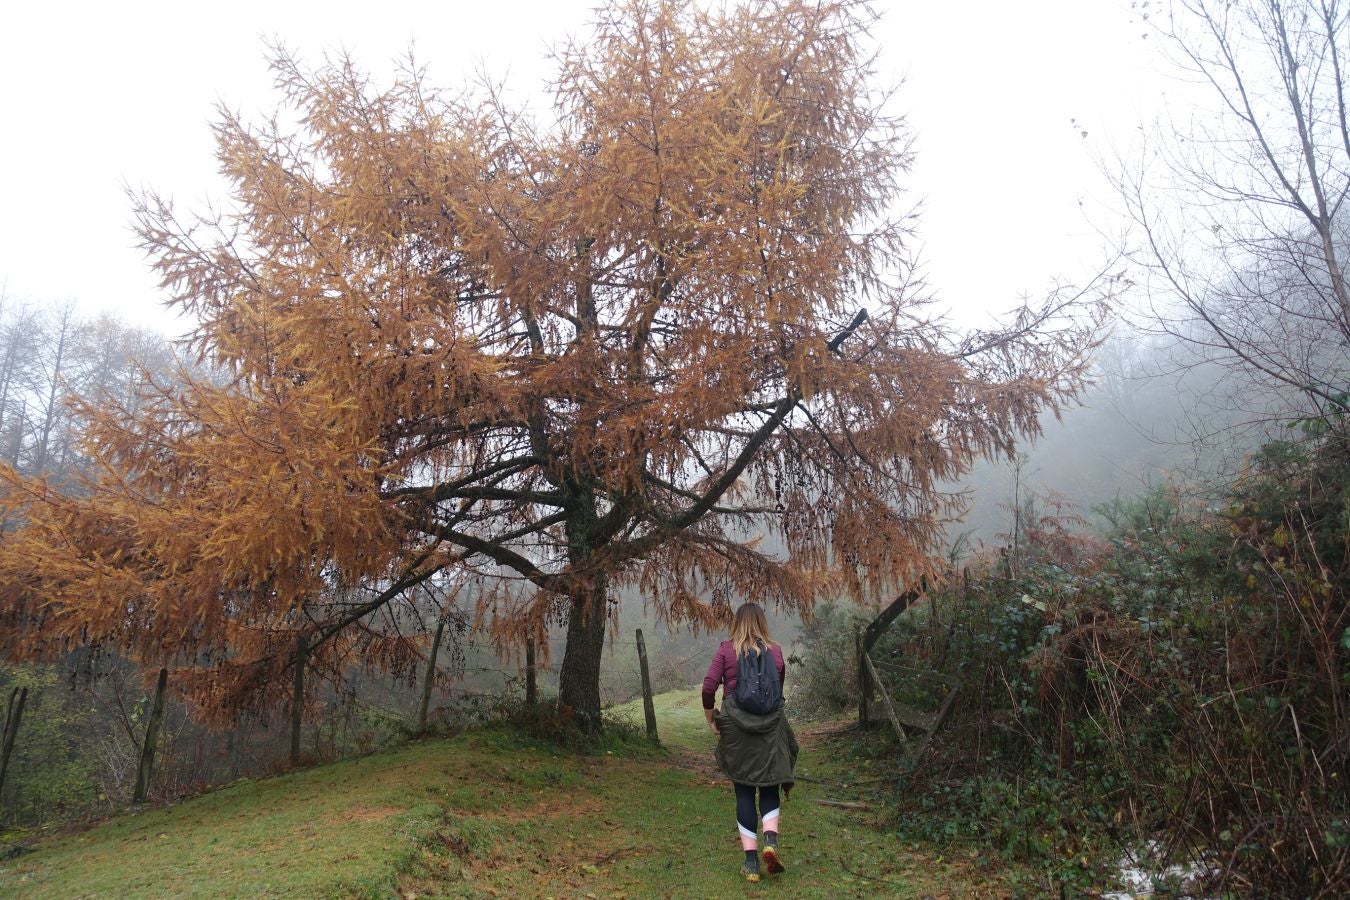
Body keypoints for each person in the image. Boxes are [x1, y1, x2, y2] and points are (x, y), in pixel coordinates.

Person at [702, 602, 798, 883]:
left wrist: (711, 718)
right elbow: (777, 690)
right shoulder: (776, 651)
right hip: (770, 728)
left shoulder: (726, 650)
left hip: (736, 728)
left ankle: (751, 863)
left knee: (744, 790)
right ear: (762, 623)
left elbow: (708, 687)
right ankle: (771, 841)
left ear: (736, 623)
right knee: (769, 784)